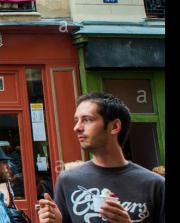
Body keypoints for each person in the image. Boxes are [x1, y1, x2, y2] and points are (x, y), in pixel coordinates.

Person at [37, 92, 165, 223]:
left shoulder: (155, 185)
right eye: (76, 120)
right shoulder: (67, 180)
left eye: (87, 120)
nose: (77, 128)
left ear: (114, 126)